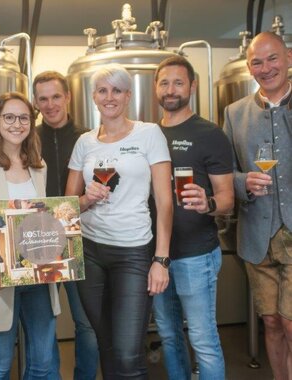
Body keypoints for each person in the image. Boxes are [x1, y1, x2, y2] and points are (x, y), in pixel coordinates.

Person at [66, 63, 173, 379]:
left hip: (133, 252)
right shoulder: (85, 143)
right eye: (102, 90)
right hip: (90, 253)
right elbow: (68, 206)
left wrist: (161, 260)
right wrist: (87, 197)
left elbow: (165, 202)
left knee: (128, 353)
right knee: (107, 345)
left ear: (128, 96)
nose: (109, 97)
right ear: (94, 97)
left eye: (116, 90)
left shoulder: (149, 134)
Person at [0, 91, 61, 379]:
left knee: (42, 362)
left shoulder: (38, 166)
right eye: (9, 117)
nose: (17, 124)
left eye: (23, 118)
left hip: (39, 279)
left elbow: (44, 220)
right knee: (1, 365)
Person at [151, 55, 234, 380]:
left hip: (196, 256)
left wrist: (208, 202)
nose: (171, 90)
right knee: (169, 336)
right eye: (164, 82)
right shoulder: (148, 133)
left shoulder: (209, 133)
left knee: (203, 339)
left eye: (178, 82)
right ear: (156, 87)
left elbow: (228, 198)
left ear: (192, 86)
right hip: (158, 257)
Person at [223, 31, 292, 380]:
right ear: (250, 68)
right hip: (255, 235)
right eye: (257, 62)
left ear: (289, 58)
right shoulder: (234, 113)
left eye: (273, 58)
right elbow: (224, 174)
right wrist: (242, 182)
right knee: (272, 322)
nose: (266, 68)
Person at [33, 70, 99, 380]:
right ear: (36, 102)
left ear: (68, 97)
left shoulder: (90, 138)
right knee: (42, 321)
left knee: (86, 323)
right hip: (40, 240)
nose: (50, 104)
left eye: (56, 96)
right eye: (43, 98)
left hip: (81, 240)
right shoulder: (27, 139)